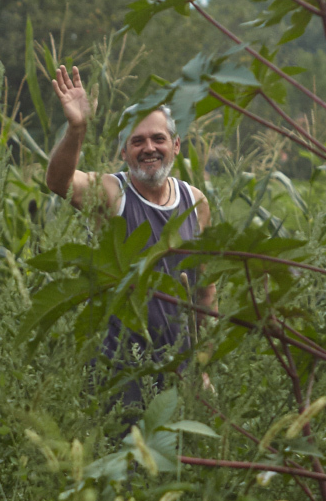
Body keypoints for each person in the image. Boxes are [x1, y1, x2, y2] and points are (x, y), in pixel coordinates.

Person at [44, 64, 215, 408]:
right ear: (123, 152)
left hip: (179, 368)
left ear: (176, 145)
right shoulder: (112, 194)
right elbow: (59, 183)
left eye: (158, 139)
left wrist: (204, 366)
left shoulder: (195, 202)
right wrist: (77, 129)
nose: (148, 148)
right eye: (137, 141)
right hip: (120, 367)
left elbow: (205, 290)